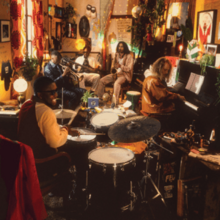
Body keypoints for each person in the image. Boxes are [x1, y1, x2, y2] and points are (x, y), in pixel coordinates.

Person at [17, 77, 88, 197]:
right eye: (51, 92)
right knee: (81, 151)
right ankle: (77, 193)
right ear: (40, 94)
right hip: (40, 165)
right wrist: (66, 130)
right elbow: (55, 143)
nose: (56, 95)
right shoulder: (46, 112)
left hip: (25, 160)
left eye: (56, 91)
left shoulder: (26, 105)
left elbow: (40, 127)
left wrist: (64, 129)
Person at [142, 57, 185, 129]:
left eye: (168, 70)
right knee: (179, 109)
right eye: (165, 70)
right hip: (153, 110)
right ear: (158, 68)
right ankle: (170, 132)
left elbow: (162, 92)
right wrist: (177, 96)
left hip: (151, 107)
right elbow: (162, 96)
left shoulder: (152, 78)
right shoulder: (153, 80)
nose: (166, 72)